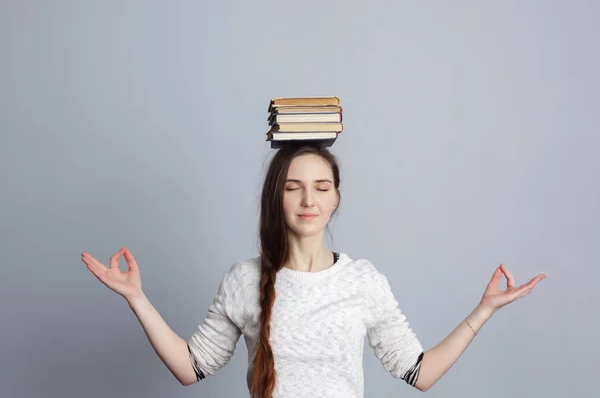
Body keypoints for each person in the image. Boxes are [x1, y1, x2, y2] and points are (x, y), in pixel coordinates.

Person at [82, 144, 546, 397]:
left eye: (322, 187)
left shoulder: (364, 281)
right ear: (276, 198)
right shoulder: (244, 279)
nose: (309, 200)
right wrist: (136, 298)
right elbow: (192, 368)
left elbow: (418, 373)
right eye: (294, 188)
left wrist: (482, 311)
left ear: (336, 198)